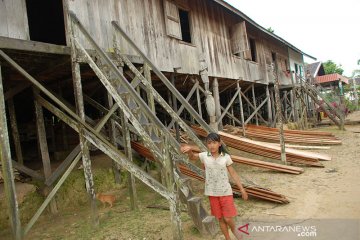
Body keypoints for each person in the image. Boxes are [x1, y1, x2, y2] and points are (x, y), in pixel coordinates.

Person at [180, 133, 248, 240]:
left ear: (219, 144)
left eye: (214, 142)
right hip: (212, 193)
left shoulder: (226, 157)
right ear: (207, 144)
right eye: (209, 143)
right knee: (220, 219)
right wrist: (189, 151)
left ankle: (239, 236)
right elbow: (193, 157)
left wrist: (242, 189)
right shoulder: (204, 155)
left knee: (228, 218)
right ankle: (227, 238)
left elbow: (233, 173)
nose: (212, 145)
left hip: (225, 192)